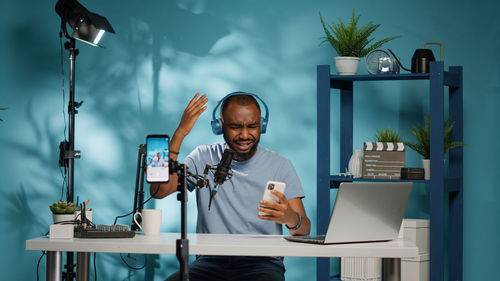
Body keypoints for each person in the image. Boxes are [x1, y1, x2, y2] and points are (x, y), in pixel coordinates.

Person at [151, 92, 311, 281]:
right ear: (220, 126)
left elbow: (304, 230)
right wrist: (180, 134)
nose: (244, 135)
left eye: (252, 126)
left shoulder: (280, 165)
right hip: (209, 262)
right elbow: (158, 191)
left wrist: (289, 217)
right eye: (235, 127)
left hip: (263, 264)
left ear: (262, 126)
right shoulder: (202, 157)